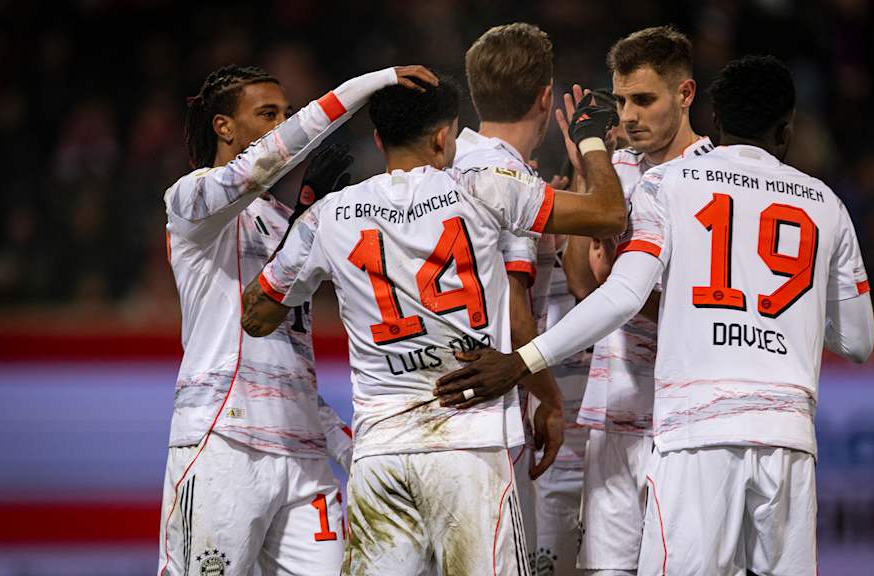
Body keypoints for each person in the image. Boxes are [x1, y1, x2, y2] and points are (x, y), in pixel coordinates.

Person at [436, 55, 874, 576]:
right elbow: (857, 340)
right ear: (788, 128)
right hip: (788, 438)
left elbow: (622, 294)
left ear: (714, 119)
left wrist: (523, 361)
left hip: (698, 433)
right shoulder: (827, 204)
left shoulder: (669, 185)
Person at [240, 75, 624, 575]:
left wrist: (304, 220)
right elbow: (609, 214)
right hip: (472, 447)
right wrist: (592, 141)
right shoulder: (485, 188)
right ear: (445, 137)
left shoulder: (330, 216)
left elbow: (257, 316)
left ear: (378, 139)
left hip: (381, 454)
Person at [159, 62, 437, 576]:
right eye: (268, 114)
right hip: (225, 440)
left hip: (303, 454)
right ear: (224, 127)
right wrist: (368, 84)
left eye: (287, 115)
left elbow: (291, 359)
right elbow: (252, 171)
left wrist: (353, 447)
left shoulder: (289, 225)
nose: (282, 126)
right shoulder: (189, 203)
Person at [561, 26, 713, 576]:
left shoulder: (712, 180)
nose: (627, 116)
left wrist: (621, 293)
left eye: (644, 100)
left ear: (686, 94)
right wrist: (585, 180)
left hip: (685, 419)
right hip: (614, 406)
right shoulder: (617, 170)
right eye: (621, 100)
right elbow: (583, 286)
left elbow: (698, 307)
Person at [455, 22, 572, 572]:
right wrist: (549, 397)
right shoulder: (511, 180)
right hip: (489, 415)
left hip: (427, 404)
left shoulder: (445, 162)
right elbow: (516, 316)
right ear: (546, 97)